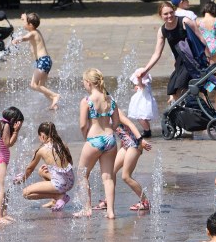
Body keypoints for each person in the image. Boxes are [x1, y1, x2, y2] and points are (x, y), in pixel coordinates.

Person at [135, 2, 206, 103]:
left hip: (192, 61)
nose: (169, 16)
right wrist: (146, 70)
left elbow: (201, 39)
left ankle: (189, 111)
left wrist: (207, 58)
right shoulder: (162, 30)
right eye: (165, 14)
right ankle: (183, 112)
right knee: (172, 88)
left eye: (171, 12)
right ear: (161, 15)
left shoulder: (185, 21)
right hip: (179, 63)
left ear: (174, 11)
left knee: (180, 87)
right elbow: (157, 53)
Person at [75, 68, 120, 219]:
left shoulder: (86, 101)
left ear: (88, 83)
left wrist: (86, 137)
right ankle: (111, 212)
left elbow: (82, 125)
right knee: (107, 177)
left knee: (82, 174)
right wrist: (110, 131)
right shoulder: (110, 99)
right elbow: (117, 122)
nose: (83, 85)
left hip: (94, 139)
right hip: (110, 139)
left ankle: (87, 209)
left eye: (84, 82)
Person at [13, 122, 75, 211]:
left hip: (60, 185)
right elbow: (70, 163)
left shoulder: (41, 150)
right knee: (41, 171)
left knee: (26, 193)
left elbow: (30, 169)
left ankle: (58, 196)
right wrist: (53, 168)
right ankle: (54, 201)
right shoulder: (63, 145)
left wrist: (22, 179)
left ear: (42, 136)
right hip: (70, 181)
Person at [115, 78, 154, 211]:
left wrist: (140, 140)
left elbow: (130, 124)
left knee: (125, 176)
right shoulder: (102, 111)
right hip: (126, 145)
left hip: (134, 144)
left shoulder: (114, 109)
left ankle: (145, 202)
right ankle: (108, 201)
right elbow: (121, 132)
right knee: (109, 173)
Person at [11, 12, 60, 110]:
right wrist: (25, 18)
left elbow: (25, 38)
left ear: (30, 25)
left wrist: (17, 39)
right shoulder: (36, 31)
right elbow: (28, 25)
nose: (23, 25)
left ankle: (55, 95)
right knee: (41, 86)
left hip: (42, 61)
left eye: (25, 23)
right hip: (45, 61)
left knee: (33, 85)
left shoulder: (33, 33)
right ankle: (54, 104)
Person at [0, 107, 22, 225]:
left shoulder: (3, 124)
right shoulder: (5, 125)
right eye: (19, 122)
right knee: (3, 188)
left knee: (7, 188)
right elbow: (8, 143)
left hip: (3, 158)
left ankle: (4, 213)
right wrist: (16, 131)